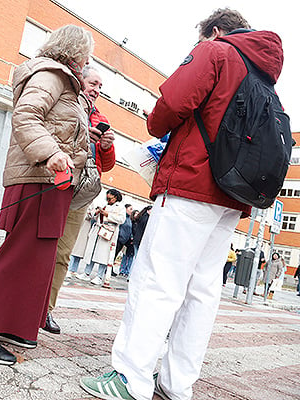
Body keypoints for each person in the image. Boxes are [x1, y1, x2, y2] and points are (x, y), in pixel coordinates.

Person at [79, 9, 284, 400]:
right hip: (232, 196)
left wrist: (156, 121)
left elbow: (170, 105)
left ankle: (130, 378)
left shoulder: (216, 51)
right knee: (202, 293)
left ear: (217, 30)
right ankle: (176, 385)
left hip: (192, 182)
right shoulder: (265, 78)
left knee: (158, 280)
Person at [0, 24, 93, 365]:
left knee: (37, 257)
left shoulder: (65, 82)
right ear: (75, 51)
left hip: (50, 180)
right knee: (20, 254)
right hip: (39, 176)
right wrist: (50, 152)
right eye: (87, 53)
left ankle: (10, 326)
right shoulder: (51, 75)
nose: (89, 60)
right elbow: (27, 115)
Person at [44, 64, 116, 334]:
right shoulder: (66, 104)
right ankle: (27, 302)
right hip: (56, 183)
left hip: (81, 192)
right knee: (41, 246)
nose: (97, 90)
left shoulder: (101, 117)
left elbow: (106, 166)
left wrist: (105, 147)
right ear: (80, 82)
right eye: (93, 83)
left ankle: (47, 309)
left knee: (63, 254)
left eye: (100, 87)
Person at [76, 189, 126, 287]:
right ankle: (86, 273)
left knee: (104, 255)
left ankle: (99, 276)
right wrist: (98, 212)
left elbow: (121, 219)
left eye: (110, 198)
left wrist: (107, 214)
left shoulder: (120, 207)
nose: (108, 200)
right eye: (107, 198)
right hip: (98, 229)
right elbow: (95, 217)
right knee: (92, 252)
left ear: (115, 198)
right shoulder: (104, 204)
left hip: (108, 231)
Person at [116, 204, 133, 275]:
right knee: (114, 254)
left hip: (124, 240)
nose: (131, 211)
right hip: (119, 238)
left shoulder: (129, 219)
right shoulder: (123, 217)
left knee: (117, 254)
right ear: (125, 209)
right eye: (130, 209)